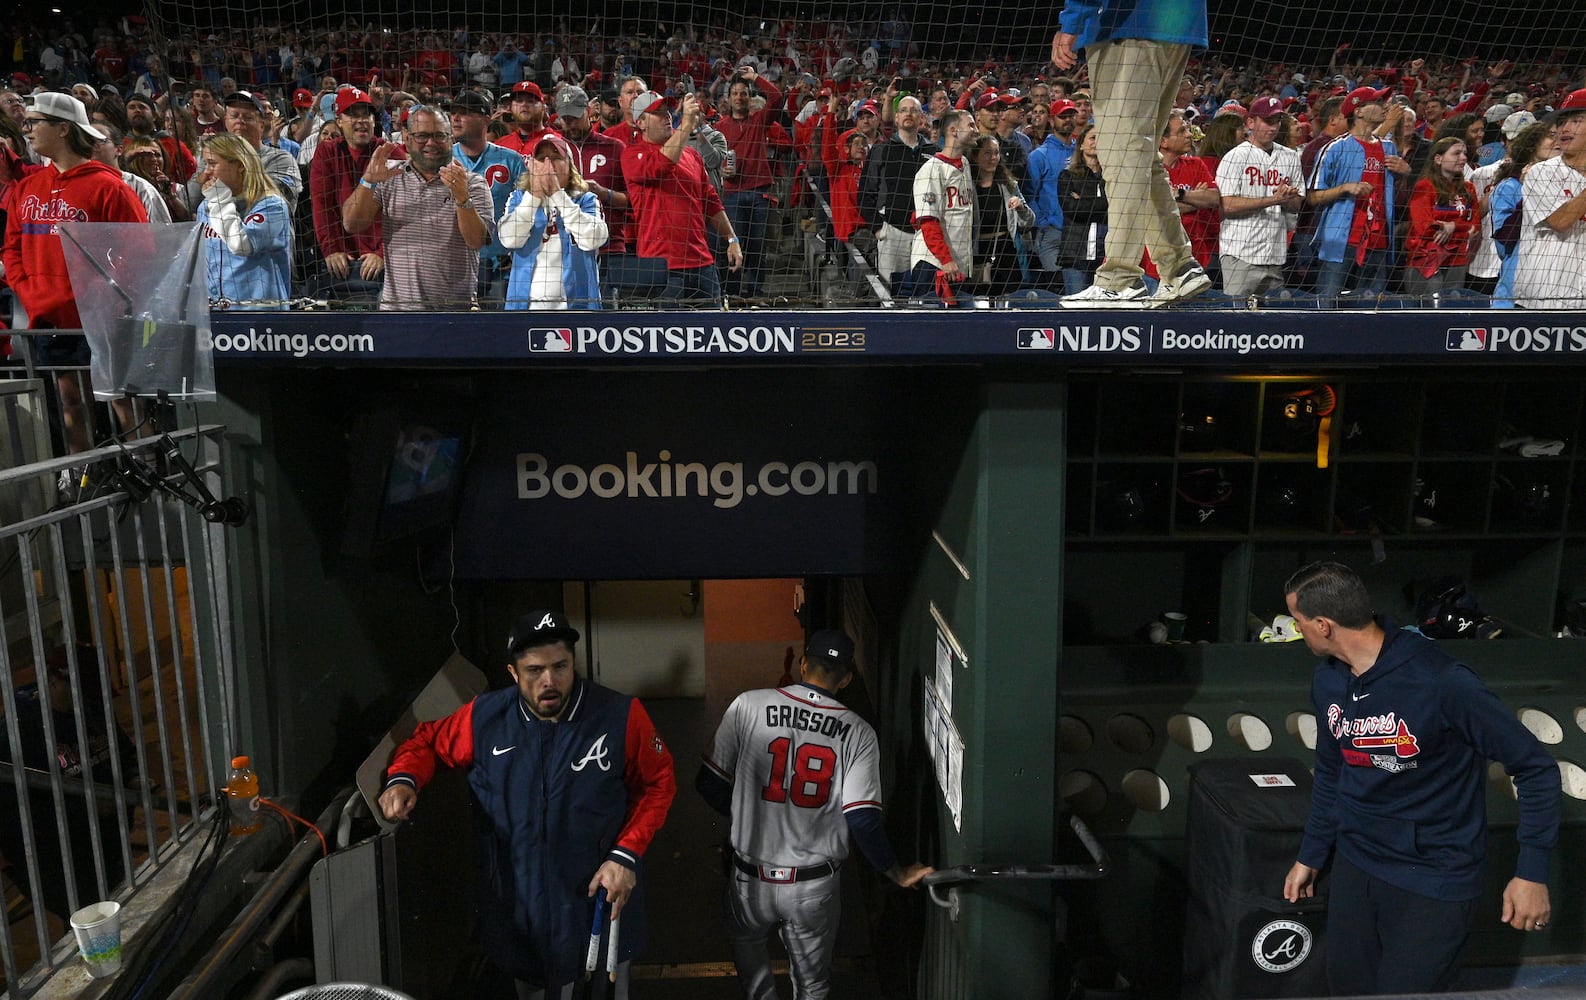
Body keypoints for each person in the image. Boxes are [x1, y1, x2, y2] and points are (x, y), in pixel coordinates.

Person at [1280, 561, 1558, 995]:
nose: (1298, 632)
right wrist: (1312, 854)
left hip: (1433, 877)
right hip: (1356, 862)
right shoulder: (1328, 681)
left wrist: (1532, 873)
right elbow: (1333, 773)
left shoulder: (1442, 682)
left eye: (1298, 623)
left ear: (1323, 625)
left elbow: (1536, 767)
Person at [379, 610, 675, 999]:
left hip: (598, 903)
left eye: (560, 666)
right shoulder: (484, 719)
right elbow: (427, 741)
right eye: (534, 670)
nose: (549, 681)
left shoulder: (620, 715)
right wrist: (404, 778)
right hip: (520, 910)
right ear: (513, 673)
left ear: (573, 663)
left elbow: (659, 782)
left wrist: (626, 855)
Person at [696, 629, 932, 1000]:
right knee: (812, 987)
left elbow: (709, 784)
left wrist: (750, 813)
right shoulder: (858, 733)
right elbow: (863, 819)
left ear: (804, 663)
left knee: (755, 979)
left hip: (749, 880)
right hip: (812, 887)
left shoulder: (748, 705)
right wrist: (896, 871)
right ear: (847, 678)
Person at [3, 93, 147, 456]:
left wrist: (99, 297)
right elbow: (12, 248)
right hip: (48, 315)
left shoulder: (109, 186)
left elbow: (140, 252)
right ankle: (84, 476)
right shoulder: (28, 188)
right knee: (70, 402)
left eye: (36, 122)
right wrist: (30, 290)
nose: (27, 129)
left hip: (100, 318)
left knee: (122, 401)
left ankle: (149, 472)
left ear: (64, 129)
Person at [1051, 0, 1213, 308]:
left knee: (1121, 155)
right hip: (1173, 21)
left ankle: (1119, 280)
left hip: (1127, 23)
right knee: (1140, 155)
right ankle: (1178, 267)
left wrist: (1073, 20)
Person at [343, 106, 494, 309]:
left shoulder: (473, 183)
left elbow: (476, 242)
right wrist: (368, 181)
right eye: (422, 136)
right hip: (397, 312)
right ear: (407, 138)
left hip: (454, 313)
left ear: (451, 139)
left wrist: (462, 197)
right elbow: (352, 224)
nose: (431, 143)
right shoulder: (388, 177)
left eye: (439, 136)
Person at [621, 92, 743, 305]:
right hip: (660, 267)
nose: (666, 116)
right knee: (666, 335)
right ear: (640, 122)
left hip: (701, 262)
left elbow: (710, 201)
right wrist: (687, 124)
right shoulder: (632, 155)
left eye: (667, 111)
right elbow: (662, 164)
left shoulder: (692, 155)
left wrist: (732, 239)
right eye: (657, 113)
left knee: (715, 330)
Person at [1307, 86, 1403, 304]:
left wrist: (1404, 173)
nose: (1383, 107)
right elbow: (1312, 197)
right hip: (1340, 242)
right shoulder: (1334, 148)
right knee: (1327, 304)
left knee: (1372, 310)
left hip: (1379, 242)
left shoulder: (1389, 149)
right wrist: (1344, 188)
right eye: (1377, 103)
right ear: (1358, 111)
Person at [499, 132, 608, 309]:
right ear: (532, 166)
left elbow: (593, 239)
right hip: (524, 310)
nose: (548, 165)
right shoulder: (518, 198)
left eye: (556, 158)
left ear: (570, 166)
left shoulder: (586, 200)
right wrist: (534, 197)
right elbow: (509, 239)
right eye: (542, 159)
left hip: (578, 309)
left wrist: (558, 195)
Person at [1216, 96, 1303, 298]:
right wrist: (1272, 200)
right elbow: (1226, 205)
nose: (1273, 128)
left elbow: (1297, 205)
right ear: (1250, 122)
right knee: (1235, 317)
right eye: (1267, 121)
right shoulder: (1235, 157)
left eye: (1276, 122)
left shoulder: (1290, 157)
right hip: (1240, 253)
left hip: (1275, 254)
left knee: (1272, 322)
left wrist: (1289, 198)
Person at [715, 67, 790, 300]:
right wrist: (720, 170)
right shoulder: (719, 128)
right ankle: (734, 292)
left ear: (750, 97)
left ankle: (756, 292)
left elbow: (777, 97)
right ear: (728, 99)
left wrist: (755, 77)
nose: (739, 97)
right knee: (734, 243)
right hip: (732, 193)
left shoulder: (760, 120)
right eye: (735, 93)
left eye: (744, 93)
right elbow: (710, 159)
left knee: (758, 246)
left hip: (760, 193)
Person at [309, 87, 389, 302]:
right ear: (339, 120)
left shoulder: (388, 151)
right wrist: (331, 249)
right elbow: (321, 203)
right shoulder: (326, 151)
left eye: (367, 114)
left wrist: (383, 253)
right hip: (342, 261)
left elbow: (404, 211)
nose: (362, 120)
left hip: (382, 263)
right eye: (353, 114)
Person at [197, 133, 293, 309]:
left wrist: (219, 200)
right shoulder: (205, 206)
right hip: (216, 312)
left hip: (260, 316)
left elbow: (241, 245)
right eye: (206, 164)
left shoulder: (272, 205)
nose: (207, 172)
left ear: (239, 166)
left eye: (213, 164)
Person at [857, 93, 938, 295]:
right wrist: (878, 228)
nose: (908, 114)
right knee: (891, 295)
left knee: (925, 294)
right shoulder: (881, 150)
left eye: (914, 110)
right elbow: (865, 193)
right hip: (892, 233)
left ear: (922, 117)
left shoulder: (934, 151)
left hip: (927, 234)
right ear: (896, 118)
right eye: (903, 110)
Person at [449, 89, 525, 304]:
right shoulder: (443, 158)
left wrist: (519, 252)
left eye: (464, 112)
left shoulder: (511, 160)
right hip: (456, 264)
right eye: (453, 112)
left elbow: (528, 210)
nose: (455, 117)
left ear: (486, 119)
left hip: (502, 264)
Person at [1515, 88, 1586, 309]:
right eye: (1561, 121)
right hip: (1542, 299)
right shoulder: (1541, 172)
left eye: (1576, 121)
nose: (1564, 128)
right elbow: (1560, 222)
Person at [906, 108, 977, 305]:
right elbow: (928, 222)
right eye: (971, 125)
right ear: (954, 131)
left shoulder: (964, 163)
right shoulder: (931, 169)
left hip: (958, 265)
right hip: (934, 264)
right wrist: (945, 260)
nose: (976, 130)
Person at [1488, 122, 1554, 309]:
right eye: (1551, 136)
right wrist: (1528, 193)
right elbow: (1504, 243)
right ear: (1532, 146)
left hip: (1555, 287)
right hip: (1514, 292)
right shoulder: (1510, 187)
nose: (1557, 141)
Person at [1402, 137, 1479, 297]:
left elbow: (1476, 227)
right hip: (1426, 261)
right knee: (1428, 313)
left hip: (1457, 260)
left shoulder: (1469, 189)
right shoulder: (1425, 186)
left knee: (1453, 313)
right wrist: (1462, 230)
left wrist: (1451, 227)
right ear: (1438, 159)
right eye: (1456, 153)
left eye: (1464, 153)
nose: (1463, 158)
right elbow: (1425, 228)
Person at [966, 133, 1035, 298]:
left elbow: (1029, 222)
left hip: (1005, 253)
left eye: (996, 153)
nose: (993, 158)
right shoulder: (966, 186)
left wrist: (1021, 209)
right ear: (975, 157)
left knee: (1007, 300)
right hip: (975, 252)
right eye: (988, 153)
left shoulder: (1009, 186)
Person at [1022, 98, 1080, 291]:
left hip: (1080, 231)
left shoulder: (1083, 151)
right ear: (1052, 120)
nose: (1068, 120)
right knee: (1059, 287)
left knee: (1080, 289)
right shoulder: (1039, 155)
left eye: (1071, 115)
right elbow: (1030, 194)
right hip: (1053, 232)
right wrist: (1043, 223)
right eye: (1063, 116)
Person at [1056, 124, 1108, 294]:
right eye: (1093, 138)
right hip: (1075, 255)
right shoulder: (1067, 176)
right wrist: (1104, 202)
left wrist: (1084, 201)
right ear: (1081, 145)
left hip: (1106, 257)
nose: (1097, 142)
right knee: (1076, 309)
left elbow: (1118, 209)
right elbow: (1072, 209)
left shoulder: (1111, 178)